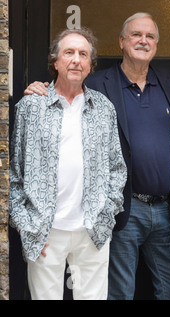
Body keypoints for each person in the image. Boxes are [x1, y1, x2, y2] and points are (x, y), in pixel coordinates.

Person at [25, 12, 170, 300]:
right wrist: (41, 89)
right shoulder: (98, 84)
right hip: (124, 209)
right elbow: (66, 89)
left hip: (166, 210)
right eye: (136, 34)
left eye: (150, 36)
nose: (143, 41)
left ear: (156, 44)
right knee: (121, 291)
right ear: (122, 41)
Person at [9, 27, 127, 300]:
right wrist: (27, 225)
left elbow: (117, 169)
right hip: (45, 230)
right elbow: (15, 172)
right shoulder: (31, 107)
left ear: (90, 64)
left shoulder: (104, 108)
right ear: (56, 62)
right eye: (69, 52)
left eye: (83, 54)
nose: (76, 59)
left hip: (92, 230)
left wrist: (105, 215)